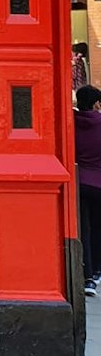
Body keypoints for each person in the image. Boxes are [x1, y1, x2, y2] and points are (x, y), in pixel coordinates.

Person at [75, 84, 101, 296]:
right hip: (99, 182)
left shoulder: (71, 123)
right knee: (98, 226)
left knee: (84, 228)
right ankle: (98, 270)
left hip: (79, 181)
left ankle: (88, 276)